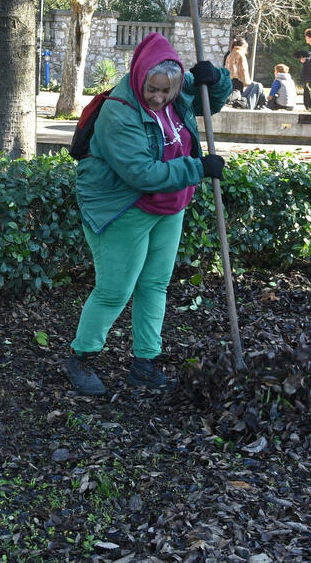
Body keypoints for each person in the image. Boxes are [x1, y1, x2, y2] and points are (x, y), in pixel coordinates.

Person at [63, 32, 230, 397]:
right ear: (140, 77)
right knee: (115, 289)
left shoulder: (176, 84)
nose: (158, 97)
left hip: (169, 205)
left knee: (155, 284)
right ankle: (81, 357)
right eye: (152, 90)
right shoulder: (119, 113)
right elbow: (140, 173)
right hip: (124, 205)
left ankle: (144, 364)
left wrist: (215, 81)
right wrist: (197, 168)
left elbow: (207, 100)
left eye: (165, 93)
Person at [224, 37, 265, 109]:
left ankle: (262, 105)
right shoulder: (240, 54)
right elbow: (243, 70)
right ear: (243, 46)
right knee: (256, 86)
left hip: (231, 82)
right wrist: (247, 83)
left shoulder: (230, 55)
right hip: (238, 82)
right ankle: (263, 105)